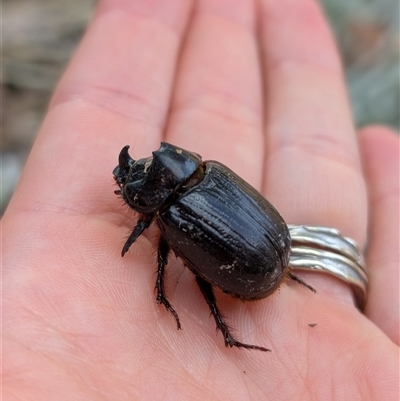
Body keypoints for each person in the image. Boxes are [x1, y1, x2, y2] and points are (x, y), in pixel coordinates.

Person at [3, 0, 398, 399]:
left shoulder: (174, 212)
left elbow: (165, 255)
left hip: (259, 265)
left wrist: (160, 287)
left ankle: (226, 334)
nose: (137, 170)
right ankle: (225, 331)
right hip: (272, 248)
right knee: (187, 264)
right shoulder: (209, 172)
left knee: (185, 265)